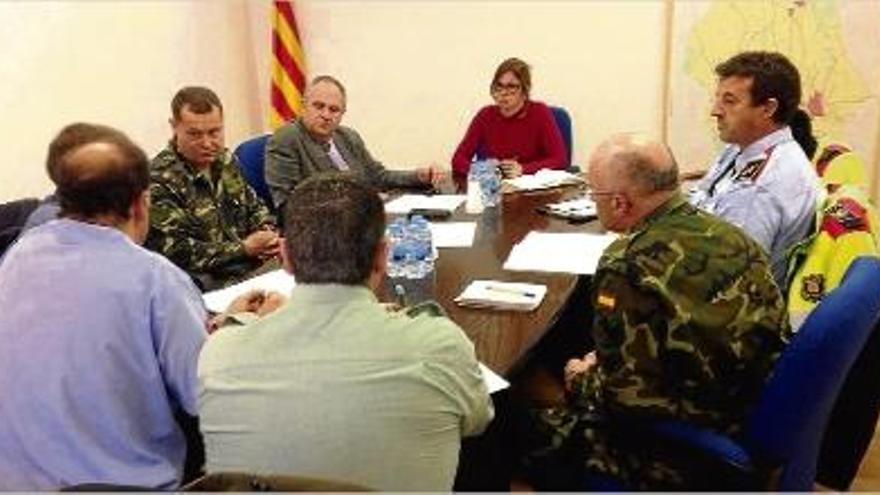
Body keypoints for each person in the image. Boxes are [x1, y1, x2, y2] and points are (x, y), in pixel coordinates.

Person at [524, 134, 790, 490]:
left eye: (594, 193)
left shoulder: (626, 266)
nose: (593, 200)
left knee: (514, 416)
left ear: (619, 203)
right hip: (748, 403)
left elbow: (626, 401)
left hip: (678, 446)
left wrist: (580, 376)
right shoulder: (733, 235)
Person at [198, 174, 494, 491]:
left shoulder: (220, 352)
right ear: (383, 255)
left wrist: (235, 323)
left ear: (285, 256)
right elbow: (478, 420)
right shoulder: (439, 346)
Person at [0, 124, 212, 489]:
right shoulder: (157, 280)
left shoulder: (18, 255)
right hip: (126, 484)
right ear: (140, 202)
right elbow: (205, 398)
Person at [690, 51, 820, 289]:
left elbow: (727, 277)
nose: (715, 111)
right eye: (718, 99)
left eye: (729, 101)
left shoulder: (760, 188)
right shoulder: (743, 148)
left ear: (768, 108)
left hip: (731, 308)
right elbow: (702, 197)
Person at [147, 86, 279, 291]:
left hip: (251, 271)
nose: (207, 143)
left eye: (214, 132)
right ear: (174, 126)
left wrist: (266, 230)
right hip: (206, 285)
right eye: (195, 134)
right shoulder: (158, 180)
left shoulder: (225, 161)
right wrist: (244, 249)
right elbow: (176, 252)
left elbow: (254, 205)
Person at [264, 75, 443, 210]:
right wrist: (356, 201)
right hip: (322, 237)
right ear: (303, 106)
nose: (326, 115)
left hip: (365, 221)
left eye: (334, 110)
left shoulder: (347, 136)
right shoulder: (287, 139)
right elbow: (289, 203)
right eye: (318, 106)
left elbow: (378, 177)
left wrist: (419, 176)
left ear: (342, 114)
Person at [451, 57, 566, 179]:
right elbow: (458, 159)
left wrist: (524, 169)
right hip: (495, 188)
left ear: (525, 90)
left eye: (511, 86)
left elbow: (560, 159)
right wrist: (485, 170)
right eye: (499, 86)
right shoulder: (485, 115)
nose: (503, 93)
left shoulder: (540, 112)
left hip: (531, 189)